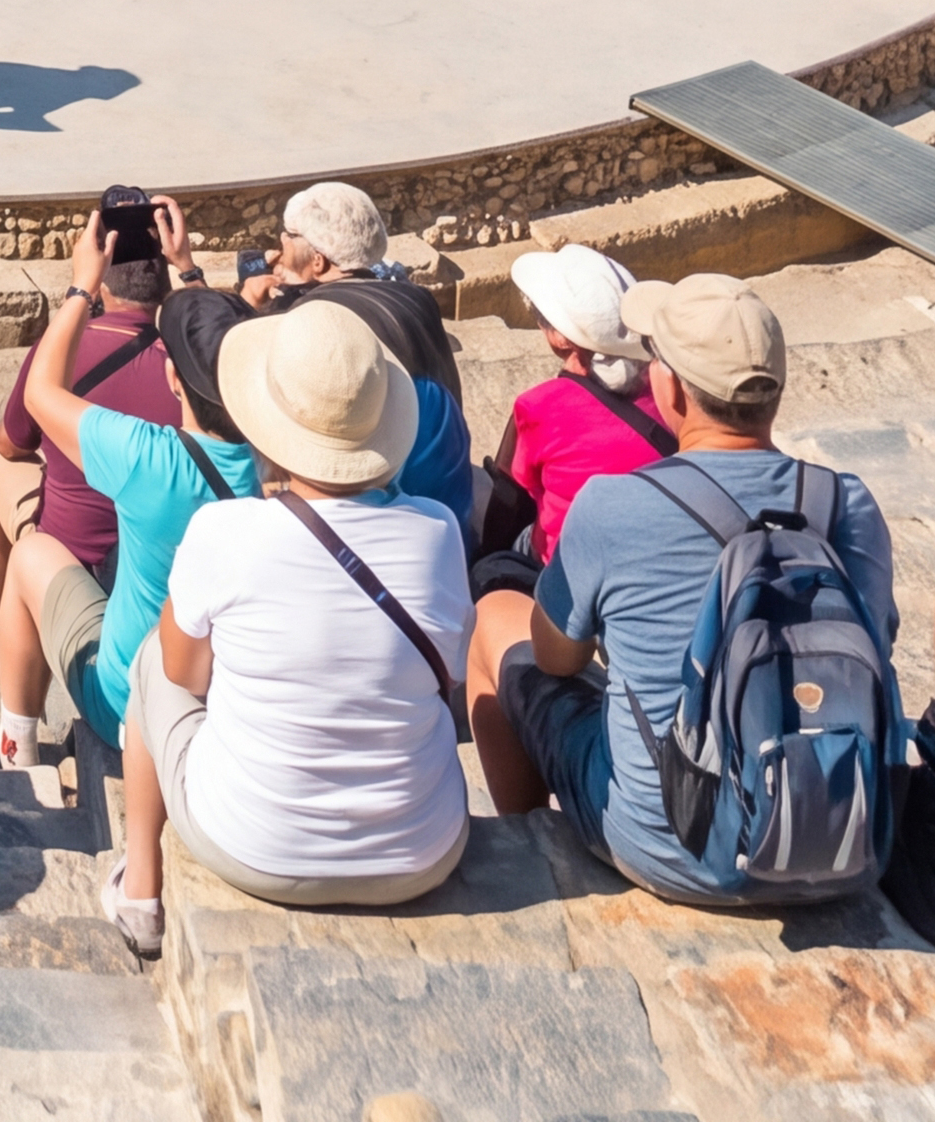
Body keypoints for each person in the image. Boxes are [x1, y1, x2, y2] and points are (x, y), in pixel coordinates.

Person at [465, 271, 897, 909]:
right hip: (847, 835)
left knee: (496, 615)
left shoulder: (612, 505)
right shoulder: (848, 500)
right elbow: (877, 641)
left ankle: (530, 838)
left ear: (667, 386)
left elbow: (558, 660)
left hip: (671, 845)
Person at [109, 301, 475, 956]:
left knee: (148, 662)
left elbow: (183, 674)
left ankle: (140, 891)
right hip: (421, 852)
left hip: (258, 848)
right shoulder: (436, 533)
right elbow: (446, 674)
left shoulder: (228, 532)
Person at [13, 202, 262, 782]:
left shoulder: (151, 459)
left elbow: (40, 392)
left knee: (31, 553)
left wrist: (81, 286)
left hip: (127, 703)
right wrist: (190, 272)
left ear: (173, 376)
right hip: (217, 698)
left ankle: (16, 747)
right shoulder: (272, 460)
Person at [0, 205, 195, 792]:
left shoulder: (75, 361)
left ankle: (13, 707)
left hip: (93, 596)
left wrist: (77, 292)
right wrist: (190, 274)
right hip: (173, 595)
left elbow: (12, 442)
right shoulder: (198, 380)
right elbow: (222, 343)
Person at [235, 182, 474, 529]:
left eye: (286, 238)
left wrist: (250, 308)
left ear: (317, 260)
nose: (276, 251)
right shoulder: (416, 299)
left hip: (382, 510)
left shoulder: (314, 320)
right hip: (447, 510)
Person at [481, 242, 676, 587]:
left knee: (490, 564)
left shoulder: (538, 407)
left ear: (559, 338)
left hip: (569, 571)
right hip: (653, 559)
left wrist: (487, 555)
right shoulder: (668, 389)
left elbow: (510, 502)